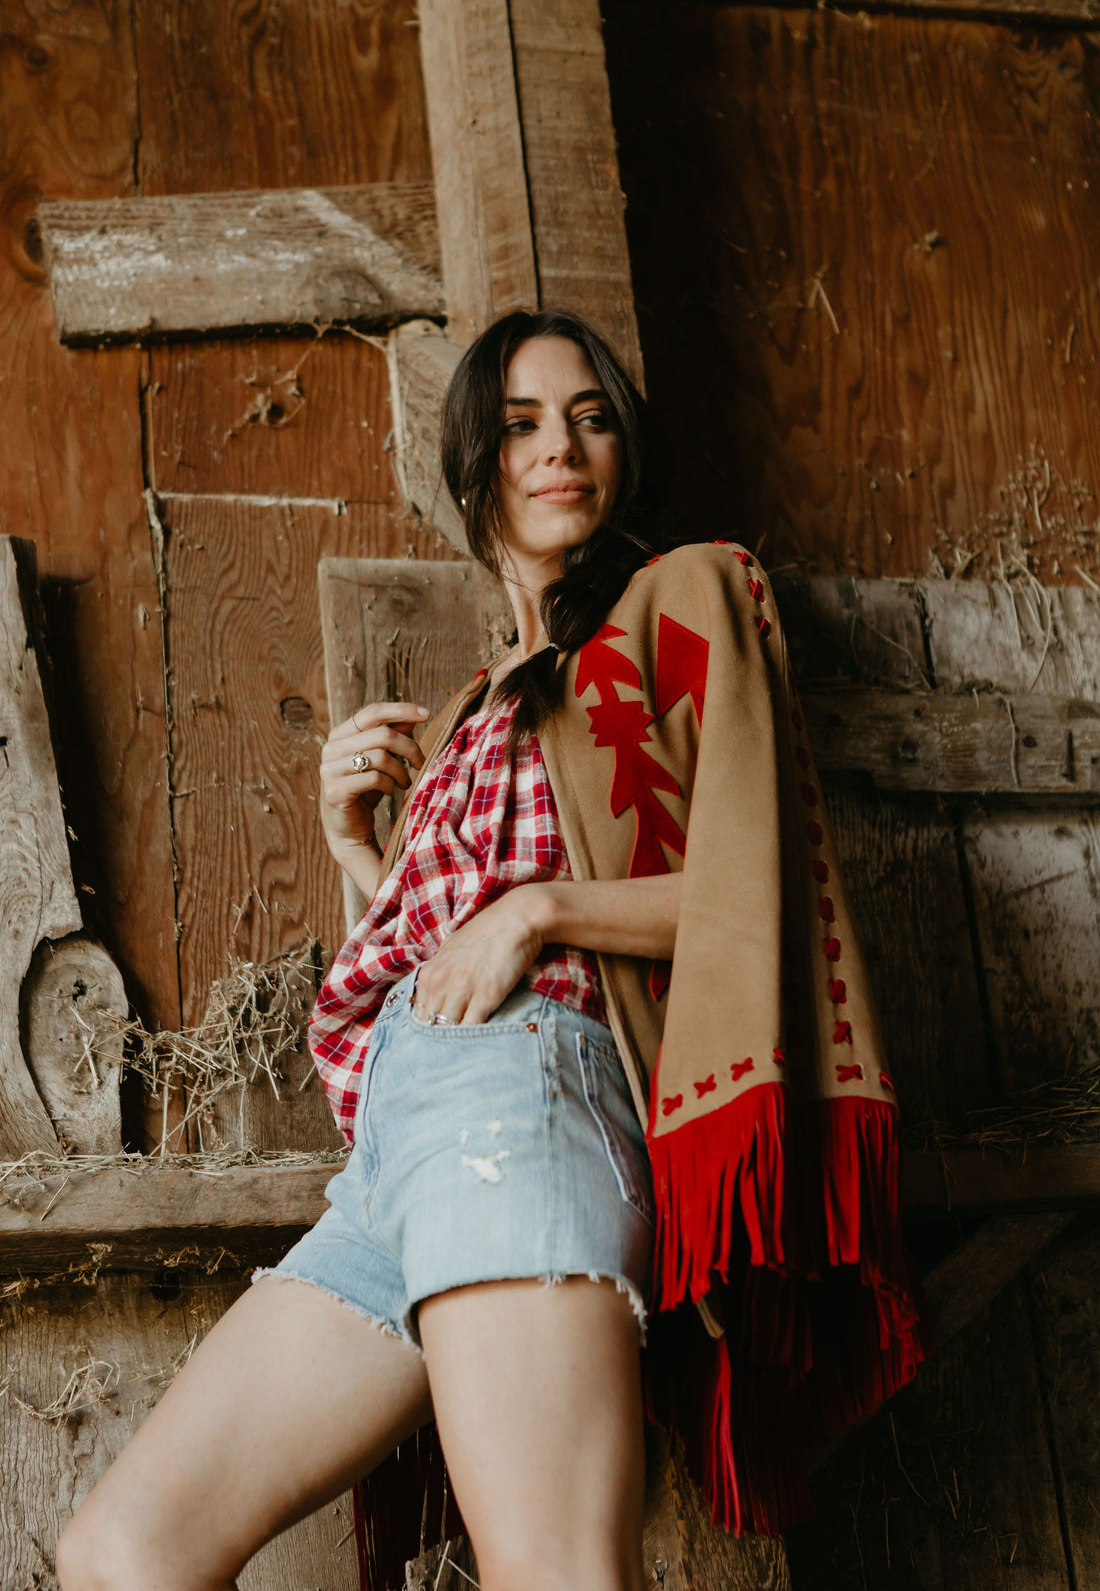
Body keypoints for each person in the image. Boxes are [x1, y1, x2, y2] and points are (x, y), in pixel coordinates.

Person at [58, 309, 923, 1591]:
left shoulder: (681, 595)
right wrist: (361, 853)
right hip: (396, 1158)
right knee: (126, 1551)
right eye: (518, 424)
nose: (558, 447)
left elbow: (761, 899)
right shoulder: (475, 702)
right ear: (472, 463)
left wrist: (540, 911)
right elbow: (428, 964)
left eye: (587, 417)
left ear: (626, 445)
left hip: (526, 1104)